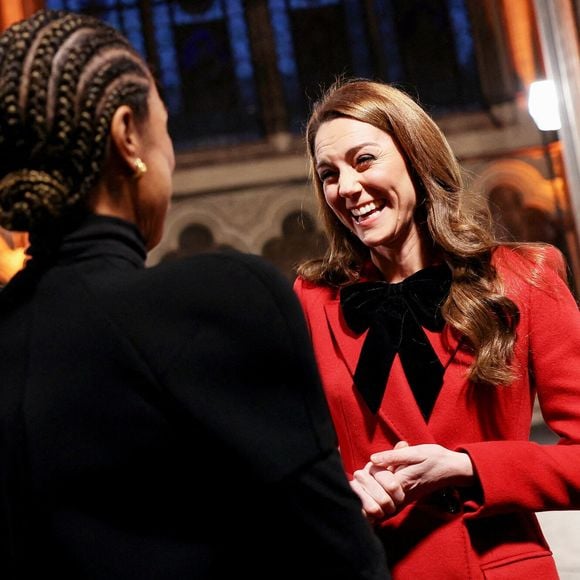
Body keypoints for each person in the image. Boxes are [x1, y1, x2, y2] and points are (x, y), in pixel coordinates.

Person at [0, 13, 390, 579]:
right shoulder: (216, 303)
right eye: (166, 126)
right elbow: (338, 560)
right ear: (127, 134)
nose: (172, 155)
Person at [294, 78, 580, 579]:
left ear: (415, 157)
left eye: (364, 160)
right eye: (328, 174)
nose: (346, 188)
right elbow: (289, 463)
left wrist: (469, 467)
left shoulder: (525, 278)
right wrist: (343, 497)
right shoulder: (312, 302)